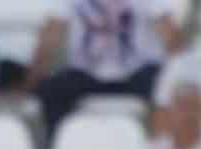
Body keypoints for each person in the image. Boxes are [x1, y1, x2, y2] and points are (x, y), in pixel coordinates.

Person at [30, 0, 180, 137]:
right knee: (50, 91)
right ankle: (59, 148)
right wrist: (30, 81)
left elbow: (168, 33)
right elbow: (50, 34)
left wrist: (181, 75)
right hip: (84, 74)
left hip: (137, 72)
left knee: (168, 89)